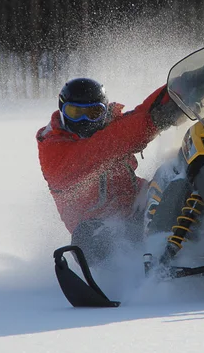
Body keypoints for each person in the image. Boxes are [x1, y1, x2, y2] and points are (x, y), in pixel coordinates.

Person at [36, 78, 181, 263]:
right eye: (75, 113)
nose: (84, 121)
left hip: (142, 208)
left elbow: (143, 113)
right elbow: (104, 147)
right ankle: (122, 279)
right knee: (85, 237)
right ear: (62, 111)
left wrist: (185, 84)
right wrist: (153, 122)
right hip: (102, 228)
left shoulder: (108, 127)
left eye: (94, 113)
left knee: (177, 172)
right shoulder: (54, 149)